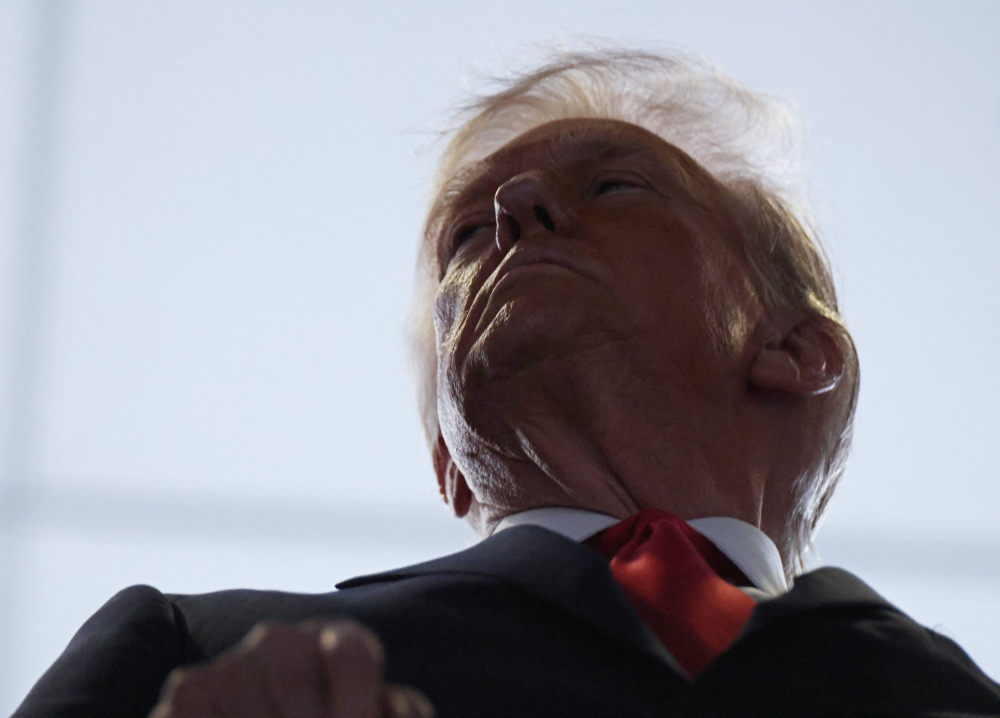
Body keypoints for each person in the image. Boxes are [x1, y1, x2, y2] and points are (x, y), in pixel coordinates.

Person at [14, 48, 1000, 718]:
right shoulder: (189, 651)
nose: (516, 205)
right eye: (465, 237)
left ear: (796, 350)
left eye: (614, 185)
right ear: (447, 457)